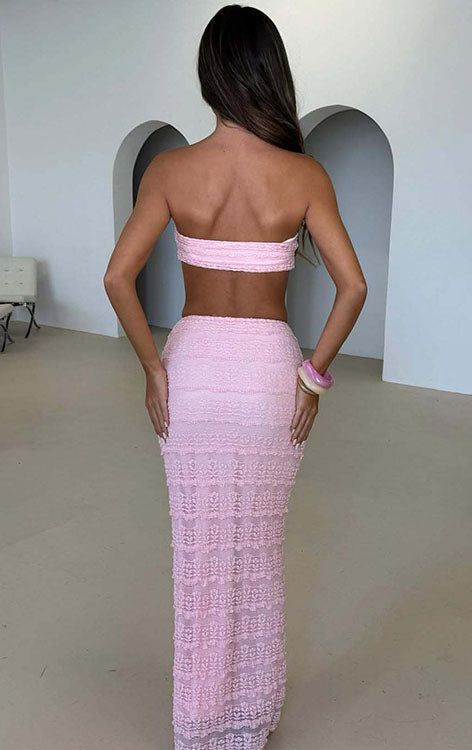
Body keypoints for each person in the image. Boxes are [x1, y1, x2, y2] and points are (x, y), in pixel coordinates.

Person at [104, 5, 367, 748]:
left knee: (199, 555)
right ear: (269, 73)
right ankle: (248, 716)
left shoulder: (171, 170)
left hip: (192, 372)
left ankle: (200, 717)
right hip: (265, 378)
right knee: (257, 553)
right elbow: (354, 287)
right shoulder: (303, 174)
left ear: (209, 74)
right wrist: (312, 377)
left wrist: (152, 368)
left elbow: (118, 277)